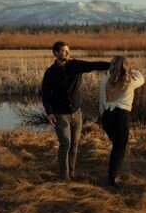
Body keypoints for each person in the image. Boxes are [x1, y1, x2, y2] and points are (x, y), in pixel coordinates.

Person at [41, 41, 109, 181]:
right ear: (55, 53)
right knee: (65, 143)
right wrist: (49, 113)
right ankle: (64, 176)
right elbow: (46, 95)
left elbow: (93, 65)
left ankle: (72, 172)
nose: (66, 53)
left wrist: (112, 65)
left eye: (67, 50)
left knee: (74, 144)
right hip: (60, 114)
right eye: (62, 51)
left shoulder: (75, 65)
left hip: (77, 113)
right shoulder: (50, 73)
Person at [98, 55, 145, 189]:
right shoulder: (131, 80)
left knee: (117, 147)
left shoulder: (105, 79)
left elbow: (101, 100)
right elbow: (142, 78)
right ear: (126, 67)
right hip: (120, 116)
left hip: (107, 116)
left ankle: (113, 174)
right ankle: (112, 178)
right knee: (119, 147)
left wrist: (103, 116)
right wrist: (131, 70)